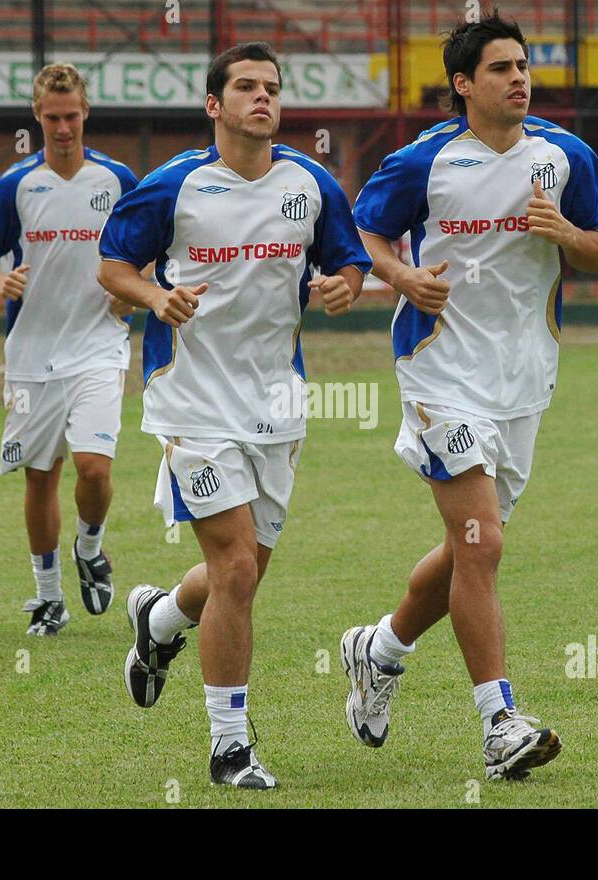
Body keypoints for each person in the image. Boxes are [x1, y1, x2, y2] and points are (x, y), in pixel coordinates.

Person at [343, 12, 598, 781]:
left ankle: (380, 650)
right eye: (501, 68)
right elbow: (361, 230)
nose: (520, 79)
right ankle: (500, 724)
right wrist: (400, 277)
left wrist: (564, 231)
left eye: (524, 66)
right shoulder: (422, 161)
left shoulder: (566, 157)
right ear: (464, 84)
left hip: (524, 380)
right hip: (438, 372)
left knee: (470, 548)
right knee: (483, 544)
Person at [98, 42, 370, 789]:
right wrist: (155, 297)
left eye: (272, 88)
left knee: (241, 576)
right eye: (246, 87)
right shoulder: (172, 187)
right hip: (190, 401)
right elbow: (112, 265)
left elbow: (348, 261)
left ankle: (158, 621)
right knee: (237, 567)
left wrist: (345, 286)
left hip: (277, 404)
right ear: (214, 105)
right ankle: (229, 748)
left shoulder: (311, 184)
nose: (263, 98)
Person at [0, 63, 137, 635]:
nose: (63, 127)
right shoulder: (17, 184)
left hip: (99, 345)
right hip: (32, 353)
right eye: (52, 117)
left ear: (86, 112)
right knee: (40, 475)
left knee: (92, 467)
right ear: (37, 117)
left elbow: (152, 242)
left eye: (72, 116)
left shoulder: (117, 180)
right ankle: (47, 596)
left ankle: (90, 546)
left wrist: (137, 291)